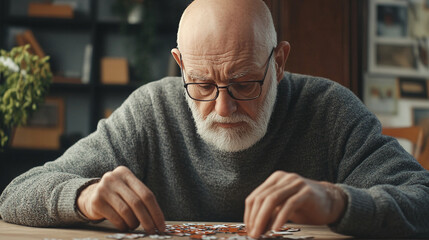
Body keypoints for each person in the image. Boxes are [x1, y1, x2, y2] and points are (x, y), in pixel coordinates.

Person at [1, 0, 429, 238]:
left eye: (245, 83)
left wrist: (339, 200)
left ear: (279, 62)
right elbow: (16, 194)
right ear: (180, 65)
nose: (223, 109)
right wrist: (85, 197)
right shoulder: (151, 110)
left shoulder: (329, 110)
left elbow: (421, 199)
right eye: (202, 85)